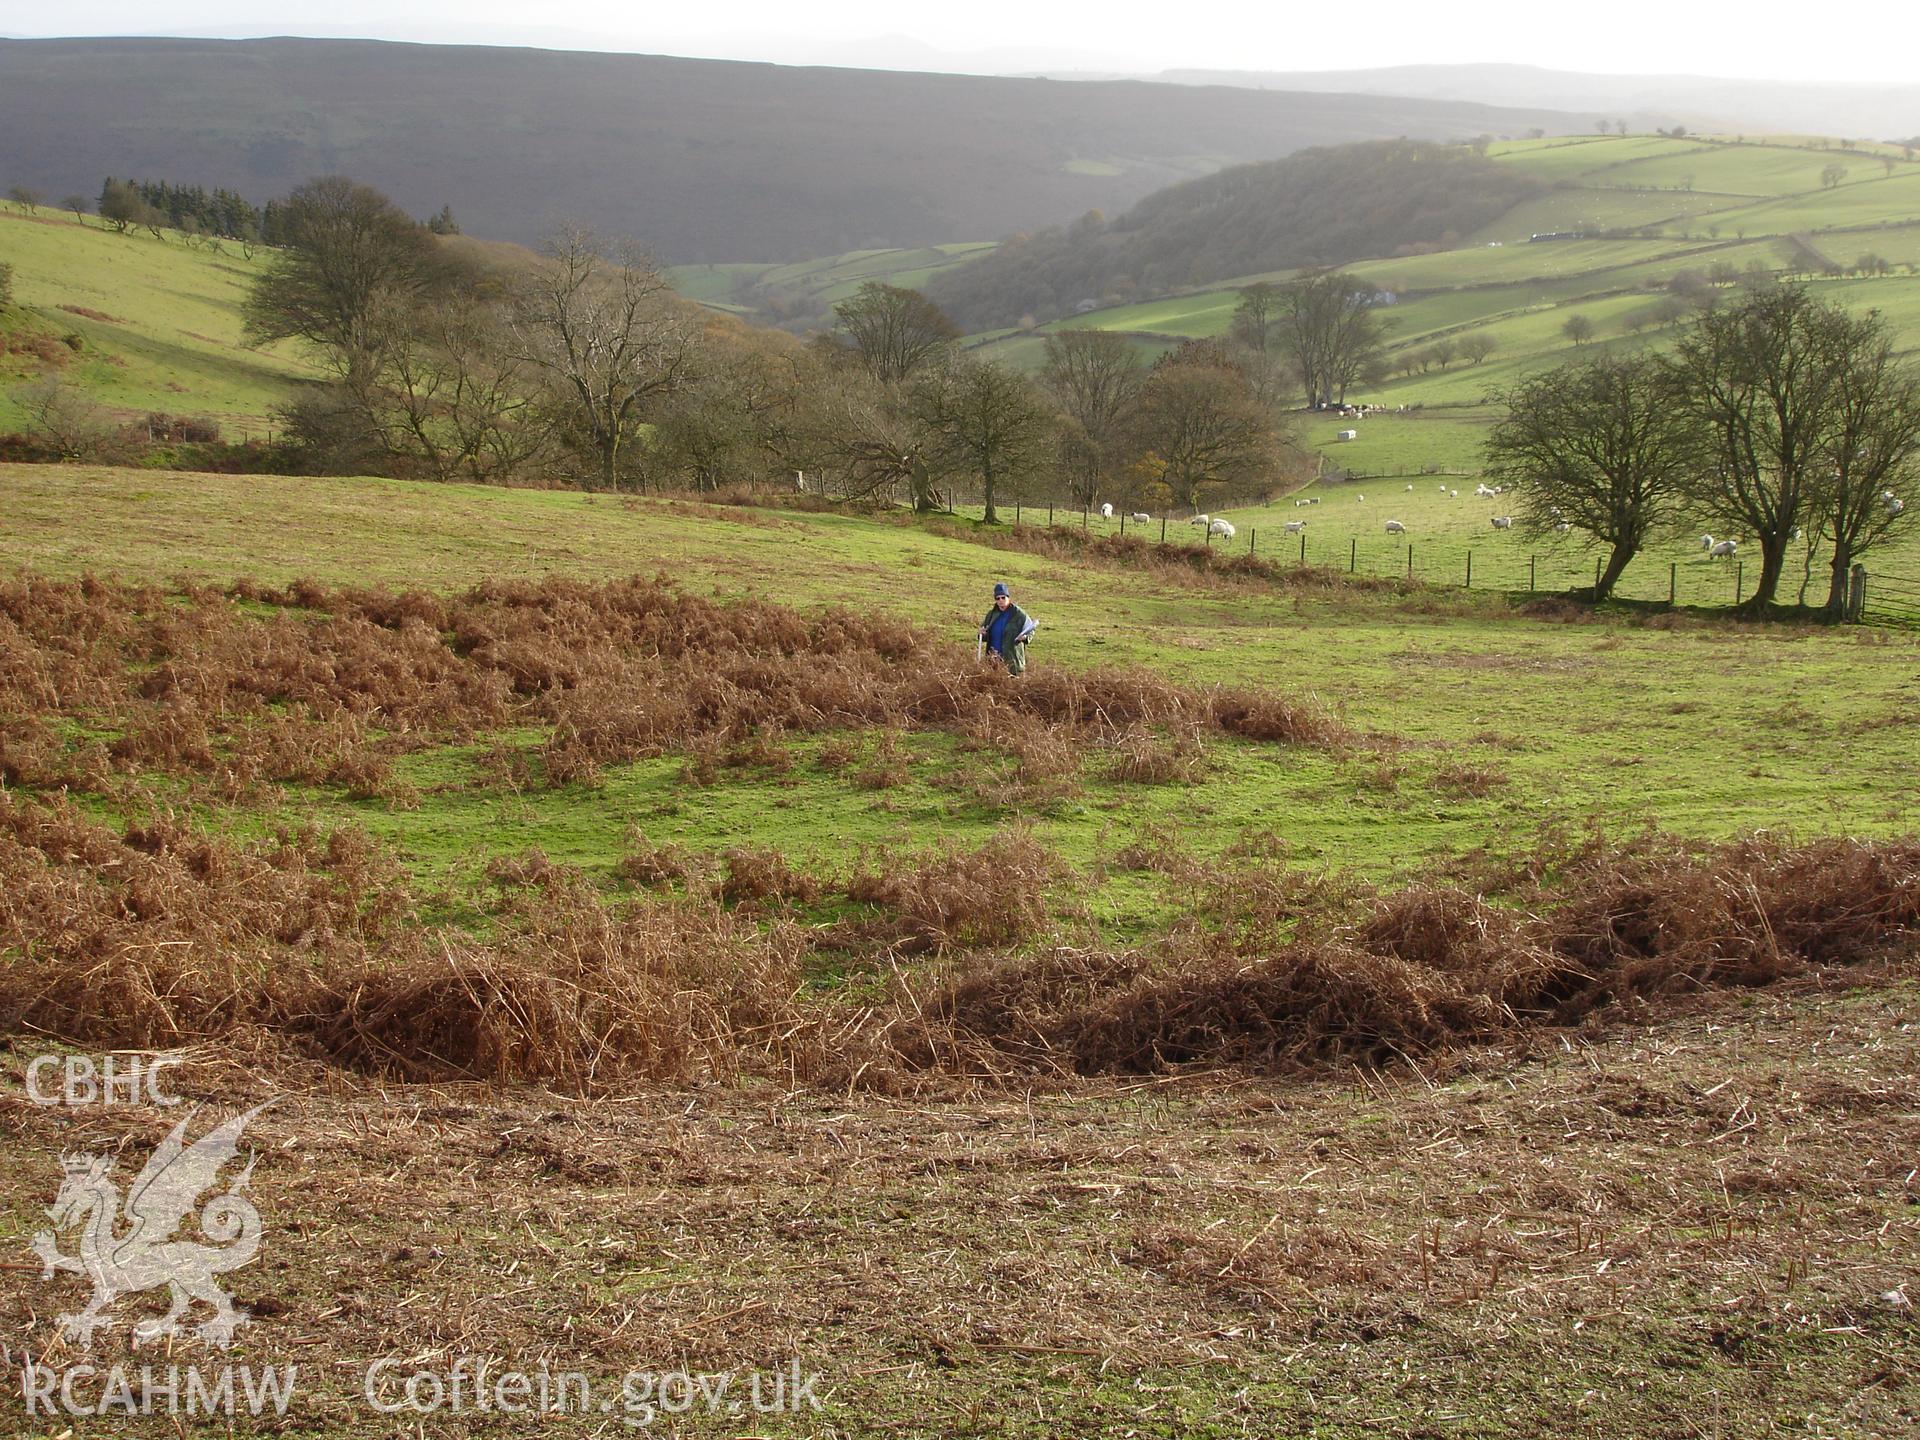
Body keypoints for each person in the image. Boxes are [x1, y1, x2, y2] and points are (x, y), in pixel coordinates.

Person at [978, 581, 1034, 675]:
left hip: (1013, 662)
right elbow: (984, 634)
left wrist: (1025, 637)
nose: (1000, 600)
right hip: (993, 661)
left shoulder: (1019, 614)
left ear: (1008, 597)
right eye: (997, 598)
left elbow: (1031, 629)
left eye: (1003, 597)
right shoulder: (991, 614)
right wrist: (982, 633)